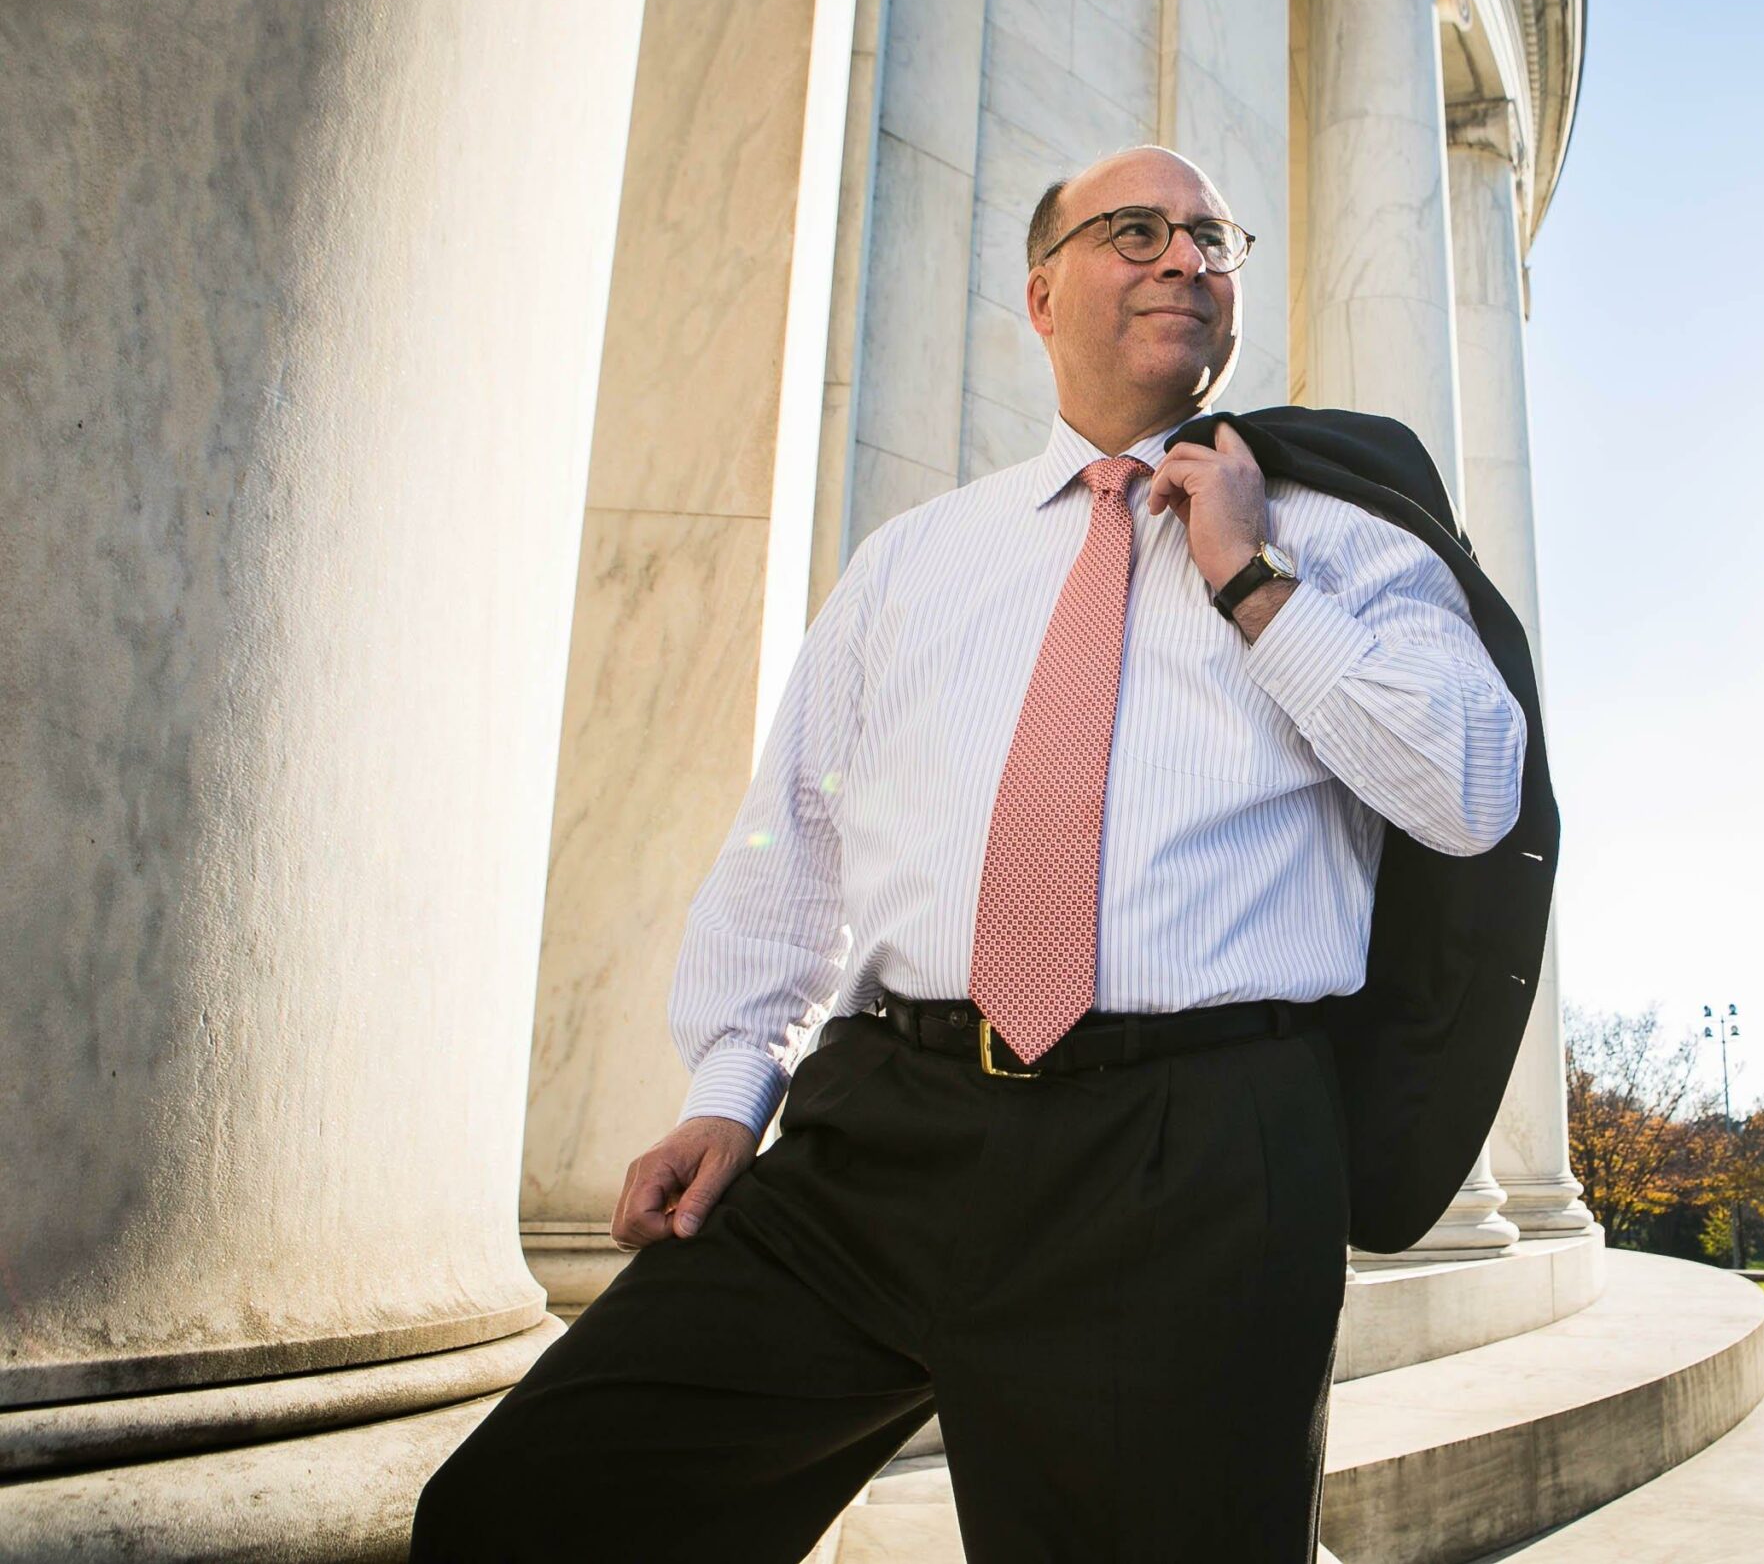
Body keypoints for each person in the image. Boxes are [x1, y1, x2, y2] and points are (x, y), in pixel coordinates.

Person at [411, 144, 1526, 1562]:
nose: (1186, 258)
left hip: (1191, 1158)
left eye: (1211, 238)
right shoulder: (915, 559)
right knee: (528, 1511)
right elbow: (796, 830)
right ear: (1042, 295)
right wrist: (732, 1086)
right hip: (883, 1129)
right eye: (1137, 231)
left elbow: (1471, 792)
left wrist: (1252, 577)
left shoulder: (1346, 537)